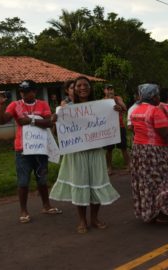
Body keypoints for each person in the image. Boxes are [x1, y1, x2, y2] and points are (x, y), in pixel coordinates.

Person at [49, 76, 120, 233]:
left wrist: (117, 110)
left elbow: (110, 123)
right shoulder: (67, 108)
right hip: (77, 153)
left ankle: (94, 218)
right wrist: (55, 121)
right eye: (79, 85)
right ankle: (82, 220)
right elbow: (57, 133)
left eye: (85, 85)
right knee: (80, 185)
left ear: (90, 88)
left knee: (96, 184)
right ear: (73, 89)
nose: (82, 88)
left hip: (95, 152)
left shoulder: (101, 106)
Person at [0, 80, 62, 224]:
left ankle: (46, 205)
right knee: (23, 181)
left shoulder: (43, 104)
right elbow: (2, 121)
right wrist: (1, 105)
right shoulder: (15, 105)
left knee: (42, 179)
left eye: (27, 91)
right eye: (22, 91)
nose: (24, 94)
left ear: (34, 91)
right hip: (22, 150)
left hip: (40, 149)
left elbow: (49, 122)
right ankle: (23, 211)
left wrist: (30, 121)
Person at [129, 83, 168, 224]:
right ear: (153, 96)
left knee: (146, 182)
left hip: (138, 150)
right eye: (158, 95)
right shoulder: (155, 111)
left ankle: (149, 212)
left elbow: (134, 130)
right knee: (164, 181)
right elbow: (166, 135)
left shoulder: (136, 111)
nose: (159, 98)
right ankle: (163, 213)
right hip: (154, 151)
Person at [103, 84, 130, 175]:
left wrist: (119, 106)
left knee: (123, 147)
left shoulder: (118, 98)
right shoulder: (102, 101)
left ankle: (129, 166)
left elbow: (125, 108)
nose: (110, 91)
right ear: (105, 91)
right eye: (108, 89)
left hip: (120, 126)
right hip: (108, 128)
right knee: (109, 149)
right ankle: (109, 168)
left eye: (111, 89)